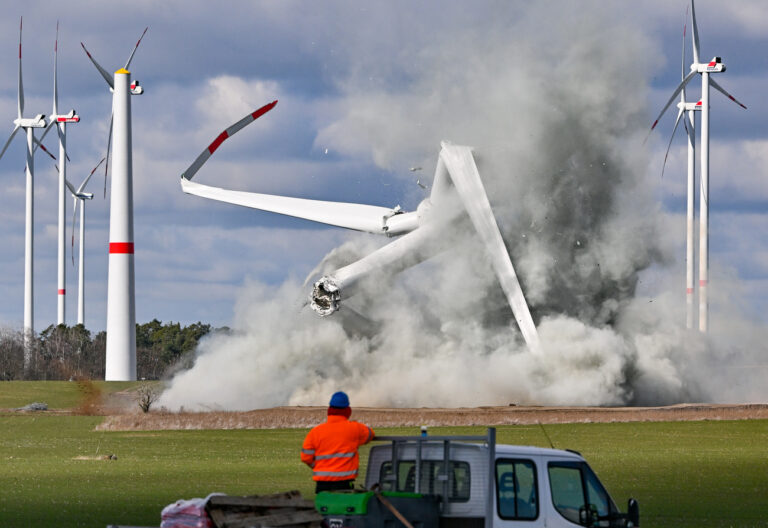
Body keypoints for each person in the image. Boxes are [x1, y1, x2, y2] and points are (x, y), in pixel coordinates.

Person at [301, 391, 375, 493]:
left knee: (324, 508)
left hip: (322, 485)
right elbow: (370, 434)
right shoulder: (355, 428)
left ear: (329, 411)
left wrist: (319, 466)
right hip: (344, 484)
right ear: (348, 411)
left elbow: (305, 457)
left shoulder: (315, 432)